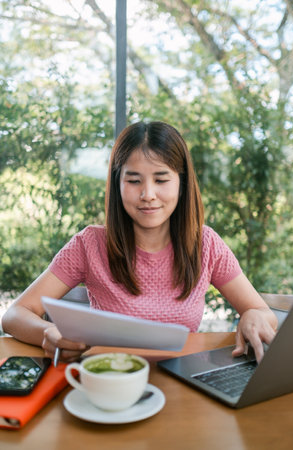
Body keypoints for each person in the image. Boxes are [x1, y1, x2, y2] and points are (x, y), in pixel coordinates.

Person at [2, 121, 277, 363]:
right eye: (134, 180)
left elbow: (263, 313)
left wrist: (254, 315)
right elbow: (15, 315)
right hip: (110, 379)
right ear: (117, 183)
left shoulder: (205, 244)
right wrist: (47, 333)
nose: (148, 194)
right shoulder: (89, 245)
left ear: (181, 183)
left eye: (161, 179)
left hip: (182, 385)